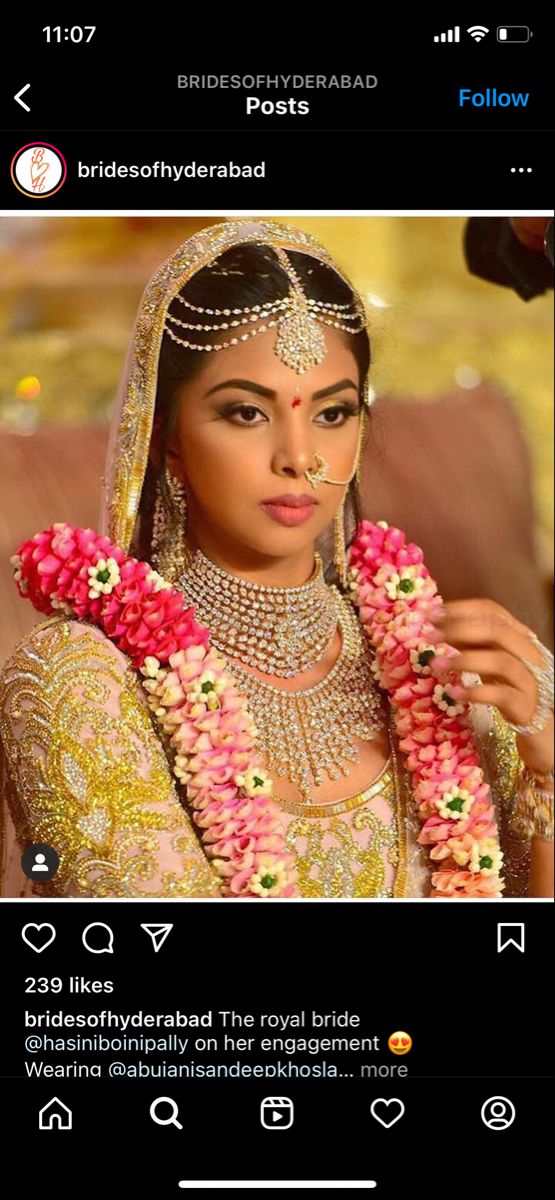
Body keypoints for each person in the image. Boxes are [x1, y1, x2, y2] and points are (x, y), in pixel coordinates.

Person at [0, 218, 553, 899]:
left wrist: (548, 772)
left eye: (331, 413)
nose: (300, 457)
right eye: (245, 413)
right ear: (166, 436)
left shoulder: (444, 666)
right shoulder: (83, 680)